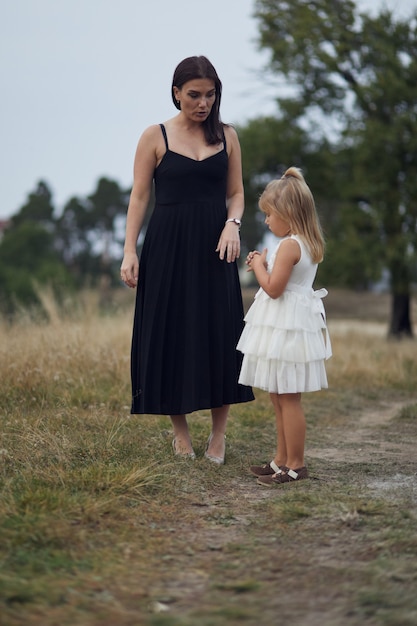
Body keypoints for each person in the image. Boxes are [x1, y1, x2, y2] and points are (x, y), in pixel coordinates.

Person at [120, 55, 254, 464]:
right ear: (176, 92)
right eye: (194, 95)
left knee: (221, 332)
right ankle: (180, 433)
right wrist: (129, 250)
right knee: (170, 332)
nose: (203, 103)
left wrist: (233, 223)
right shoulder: (154, 136)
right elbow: (140, 196)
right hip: (167, 247)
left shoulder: (227, 136)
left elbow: (236, 192)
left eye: (210, 95)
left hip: (217, 248)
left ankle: (218, 435)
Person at [237, 167, 331, 485]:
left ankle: (296, 464)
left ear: (288, 214)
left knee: (288, 398)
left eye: (269, 214)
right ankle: (280, 460)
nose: (266, 221)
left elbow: (273, 289)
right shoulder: (304, 242)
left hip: (287, 327)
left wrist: (258, 266)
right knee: (279, 396)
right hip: (287, 326)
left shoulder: (291, 245)